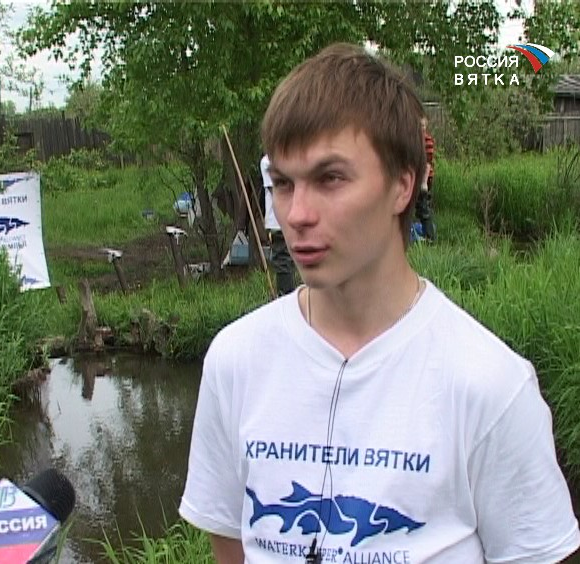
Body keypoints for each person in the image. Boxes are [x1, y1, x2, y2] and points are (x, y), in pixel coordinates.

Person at [179, 43, 579, 563]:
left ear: (402, 186)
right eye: (282, 183)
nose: (296, 214)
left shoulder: (491, 385)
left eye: (330, 178)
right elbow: (229, 539)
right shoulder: (235, 360)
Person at [261, 154, 296, 296]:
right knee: (283, 260)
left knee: (287, 260)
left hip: (287, 220)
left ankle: (289, 296)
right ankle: (285, 295)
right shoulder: (268, 161)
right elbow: (277, 190)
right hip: (278, 221)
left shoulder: (286, 158)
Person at [414, 118, 436, 241]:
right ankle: (422, 232)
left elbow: (428, 163)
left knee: (423, 206)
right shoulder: (414, 140)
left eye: (423, 125)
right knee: (418, 206)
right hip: (416, 177)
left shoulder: (427, 141)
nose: (421, 128)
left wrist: (424, 183)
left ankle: (430, 237)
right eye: (419, 125)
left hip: (425, 178)